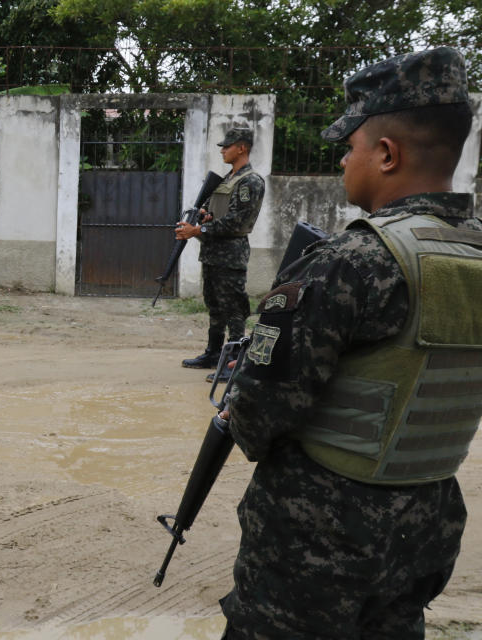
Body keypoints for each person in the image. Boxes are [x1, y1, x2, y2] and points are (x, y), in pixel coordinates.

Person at [220, 47, 479, 639]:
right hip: (425, 531)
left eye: (349, 146)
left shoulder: (350, 263)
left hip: (319, 542)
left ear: (386, 154)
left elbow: (259, 416)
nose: (342, 160)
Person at [176, 127, 265, 372]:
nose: (223, 150)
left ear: (242, 147)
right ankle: (214, 354)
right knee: (215, 307)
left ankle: (234, 360)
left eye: (227, 146)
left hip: (231, 255)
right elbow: (216, 210)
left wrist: (197, 231)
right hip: (213, 253)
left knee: (234, 310)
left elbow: (238, 221)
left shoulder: (250, 181)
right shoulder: (227, 179)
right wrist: (204, 215)